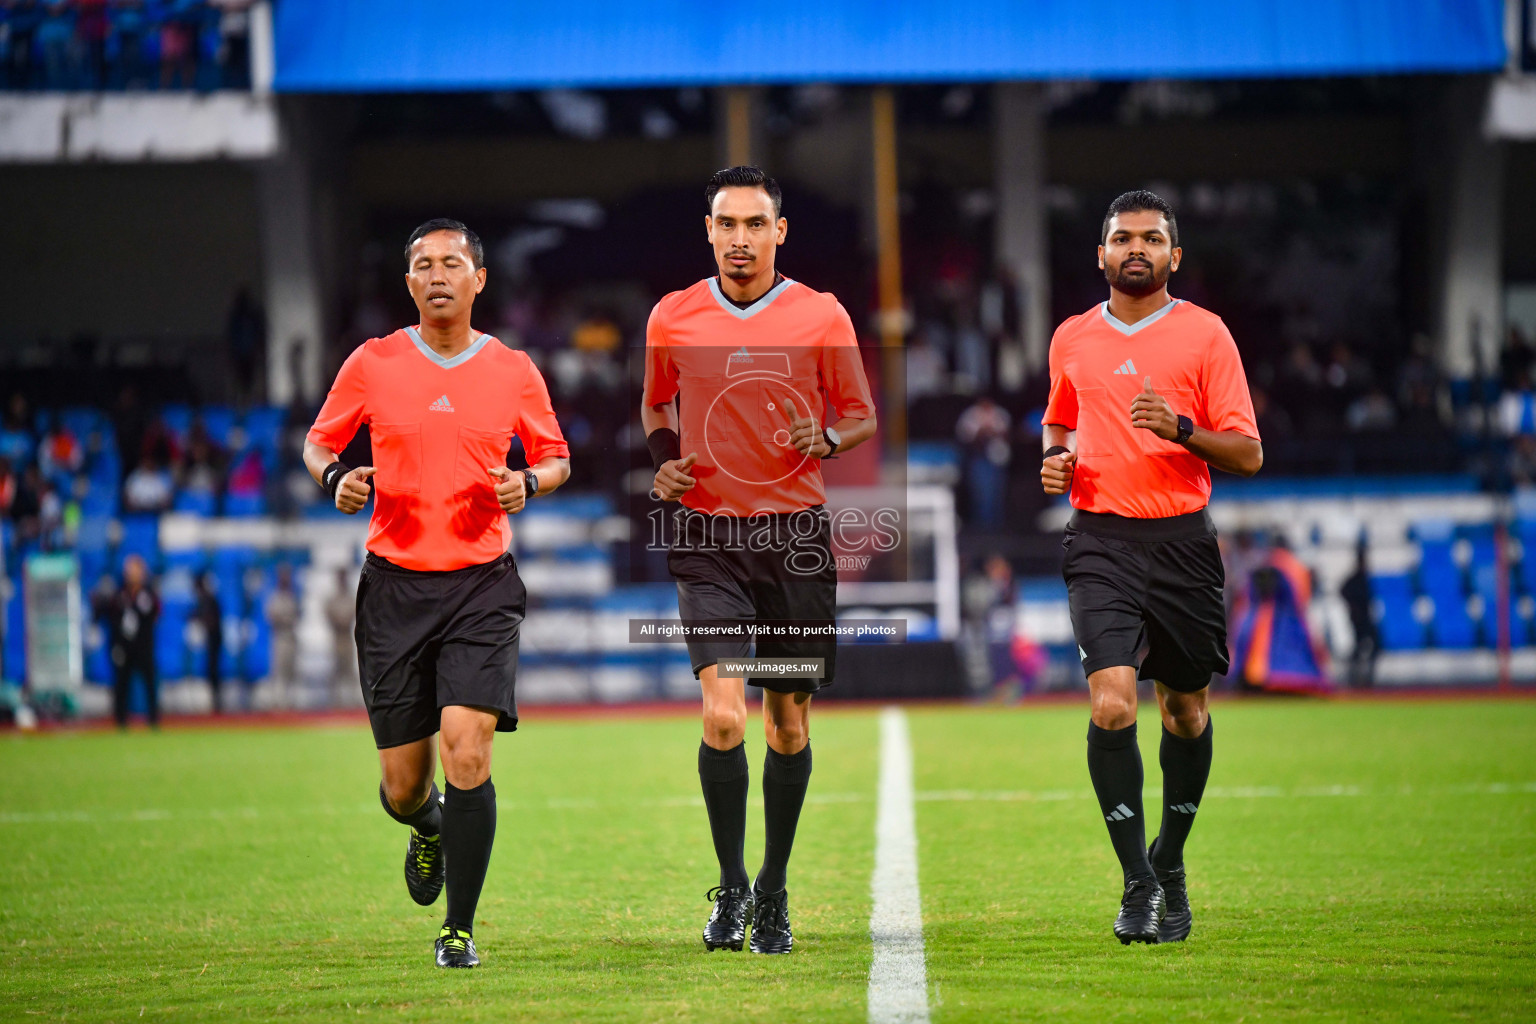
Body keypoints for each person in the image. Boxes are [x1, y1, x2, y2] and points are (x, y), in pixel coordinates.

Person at [302, 218, 571, 969]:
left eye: (453, 262)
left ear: (479, 279)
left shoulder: (514, 369)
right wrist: (335, 478)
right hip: (392, 589)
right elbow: (318, 443)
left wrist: (527, 482)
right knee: (402, 785)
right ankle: (426, 828)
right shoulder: (373, 362)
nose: (438, 274)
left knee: (469, 752)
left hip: (481, 586)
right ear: (410, 281)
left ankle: (459, 927)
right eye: (423, 264)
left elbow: (556, 460)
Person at [642, 166, 877, 954]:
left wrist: (831, 439)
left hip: (795, 540)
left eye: (754, 224)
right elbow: (655, 403)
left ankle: (774, 888)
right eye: (725, 223)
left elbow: (860, 414)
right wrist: (665, 457)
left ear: (780, 231)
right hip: (706, 536)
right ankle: (732, 888)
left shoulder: (821, 314)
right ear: (707, 230)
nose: (739, 238)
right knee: (720, 716)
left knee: (785, 726)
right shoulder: (672, 316)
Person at [1040, 190, 1262, 945]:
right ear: (1100, 254)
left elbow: (1249, 453)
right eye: (1123, 238)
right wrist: (1053, 457)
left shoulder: (1206, 335)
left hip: (1183, 544)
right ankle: (1138, 881)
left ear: (1175, 255)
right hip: (1099, 540)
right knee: (1111, 705)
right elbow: (1059, 415)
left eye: (1152, 238)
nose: (1137, 248)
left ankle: (1171, 862)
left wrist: (1183, 428)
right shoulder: (1071, 337)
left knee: (1185, 712)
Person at [109, 555, 161, 730]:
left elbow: (155, 613)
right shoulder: (120, 594)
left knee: (149, 683)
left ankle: (153, 720)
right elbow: (112, 617)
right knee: (122, 683)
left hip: (144, 646)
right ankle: (121, 720)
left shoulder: (148, 594)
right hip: (124, 647)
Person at [265, 565, 299, 710]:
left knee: (291, 670)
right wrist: (286, 619)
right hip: (279, 636)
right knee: (279, 670)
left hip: (291, 636)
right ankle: (278, 702)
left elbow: (295, 616)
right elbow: (273, 617)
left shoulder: (292, 597)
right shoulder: (274, 597)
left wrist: (287, 618)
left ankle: (290, 702)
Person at [325, 566, 357, 707]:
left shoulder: (350, 597)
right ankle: (336, 702)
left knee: (349, 670)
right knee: (336, 670)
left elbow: (353, 613)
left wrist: (344, 620)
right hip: (337, 637)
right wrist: (339, 620)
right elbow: (329, 614)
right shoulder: (332, 598)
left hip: (347, 637)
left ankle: (351, 701)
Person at [194, 572, 223, 713]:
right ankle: (213, 700)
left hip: (214, 641)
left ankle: (216, 702)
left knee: (213, 671)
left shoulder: (210, 600)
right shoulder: (203, 600)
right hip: (209, 642)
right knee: (210, 671)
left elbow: (214, 620)